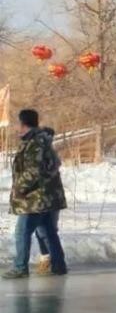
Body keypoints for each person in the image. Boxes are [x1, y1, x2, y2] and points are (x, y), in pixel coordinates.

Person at [3, 109, 68, 279]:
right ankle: (59, 265)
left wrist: (19, 187)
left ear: (23, 124)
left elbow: (34, 170)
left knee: (22, 232)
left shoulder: (34, 142)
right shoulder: (40, 140)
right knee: (47, 232)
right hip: (46, 197)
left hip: (35, 198)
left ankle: (20, 267)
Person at [33, 127, 67, 275]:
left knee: (45, 231)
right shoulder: (48, 153)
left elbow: (40, 175)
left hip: (46, 199)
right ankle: (50, 260)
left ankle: (55, 262)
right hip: (50, 199)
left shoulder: (45, 154)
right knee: (44, 231)